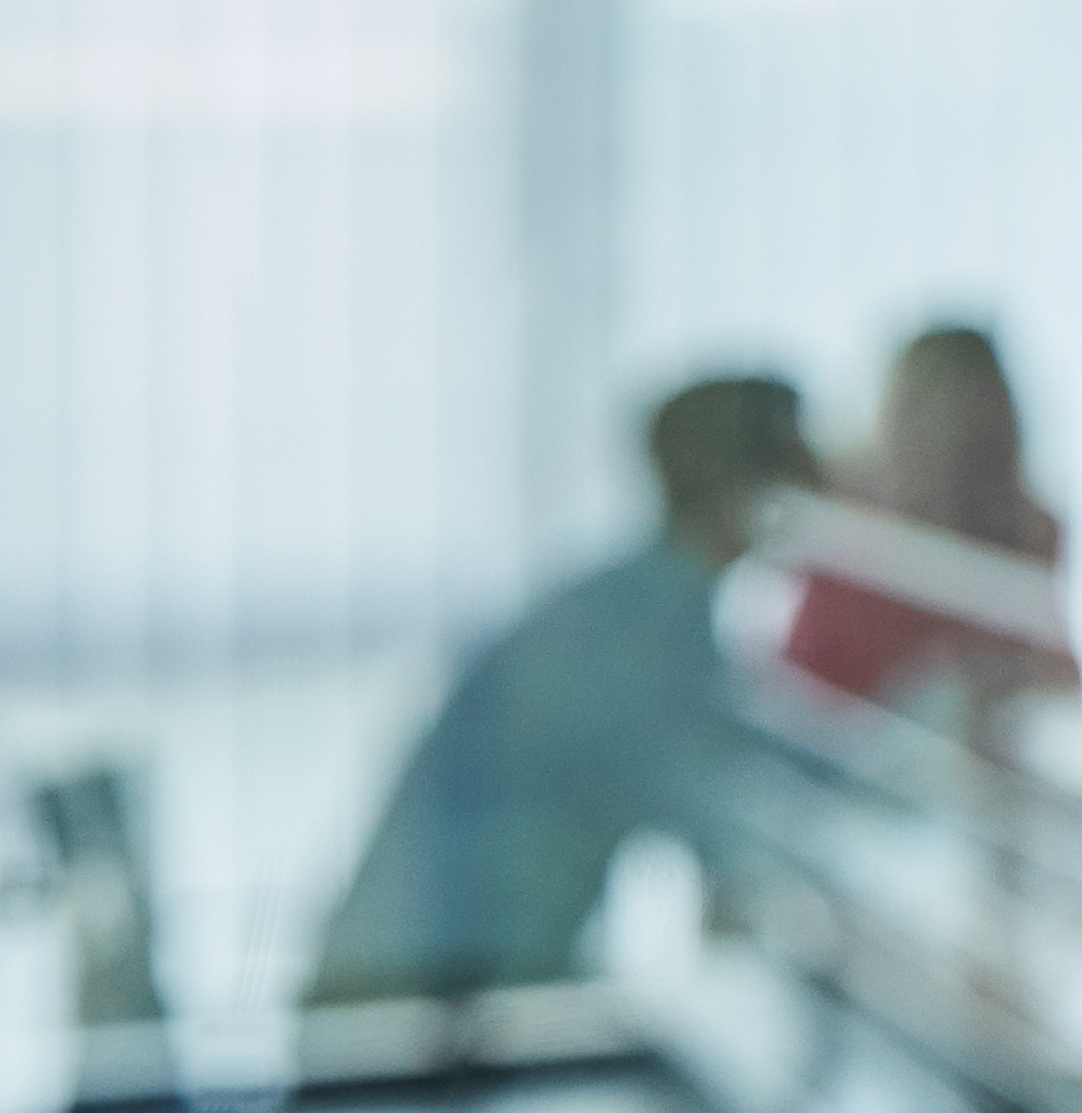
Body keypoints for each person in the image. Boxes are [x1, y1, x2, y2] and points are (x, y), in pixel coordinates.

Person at [309, 377, 822, 1002]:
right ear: (745, 490)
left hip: (444, 979)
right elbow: (718, 810)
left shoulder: (637, 606)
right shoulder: (634, 636)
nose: (822, 485)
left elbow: (740, 759)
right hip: (407, 993)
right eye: (801, 459)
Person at [779, 325, 1076, 762]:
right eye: (942, 435)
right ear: (901, 427)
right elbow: (803, 705)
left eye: (979, 441)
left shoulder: (1028, 530)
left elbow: (1055, 682)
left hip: (980, 770)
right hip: (848, 767)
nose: (960, 463)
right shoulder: (850, 530)